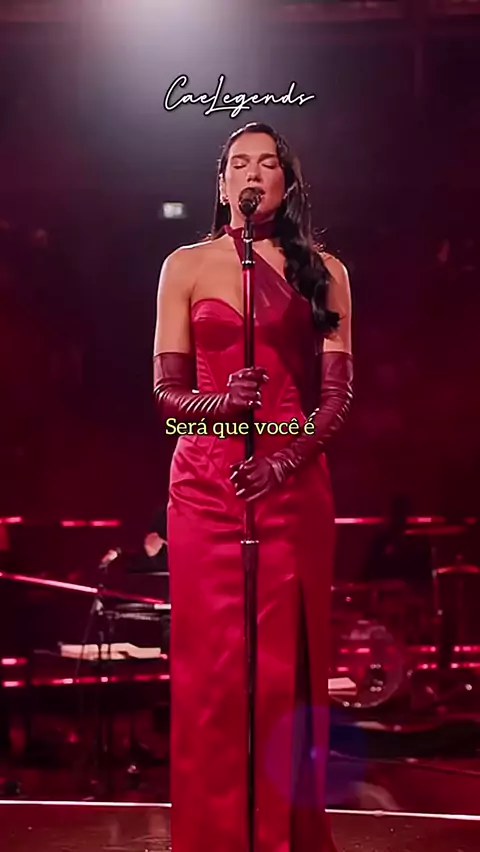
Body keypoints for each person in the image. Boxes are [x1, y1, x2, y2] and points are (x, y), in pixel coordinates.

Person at [153, 122, 353, 852]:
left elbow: (336, 398)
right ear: (222, 184)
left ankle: (282, 838)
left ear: (287, 184)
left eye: (268, 163)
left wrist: (284, 461)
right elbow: (167, 396)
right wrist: (219, 406)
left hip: (290, 484)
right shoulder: (184, 266)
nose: (252, 172)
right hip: (204, 488)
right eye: (239, 162)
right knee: (212, 679)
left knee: (280, 676)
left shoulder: (324, 270)